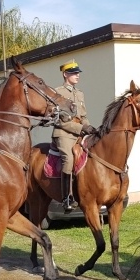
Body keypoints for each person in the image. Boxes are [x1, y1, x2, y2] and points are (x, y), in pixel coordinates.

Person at [52, 60, 97, 212]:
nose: (77, 75)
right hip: (64, 133)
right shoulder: (57, 92)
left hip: (79, 132)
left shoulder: (80, 93)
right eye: (73, 73)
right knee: (69, 159)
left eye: (78, 73)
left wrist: (89, 128)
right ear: (65, 74)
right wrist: (81, 127)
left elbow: (83, 115)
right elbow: (59, 121)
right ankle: (67, 198)